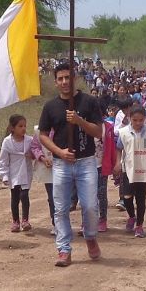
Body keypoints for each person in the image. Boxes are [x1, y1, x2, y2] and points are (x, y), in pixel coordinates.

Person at [38, 62, 104, 267]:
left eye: (68, 77)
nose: (65, 82)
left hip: (86, 162)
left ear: (75, 78)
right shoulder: (50, 106)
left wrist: (79, 120)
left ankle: (90, 236)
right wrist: (59, 152)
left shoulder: (89, 102)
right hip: (61, 163)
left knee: (90, 205)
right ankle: (64, 249)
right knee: (60, 208)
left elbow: (98, 132)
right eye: (60, 78)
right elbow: (42, 134)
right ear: (56, 81)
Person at [113, 106, 146, 238]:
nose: (138, 123)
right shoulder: (123, 132)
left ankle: (139, 226)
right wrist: (117, 163)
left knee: (141, 199)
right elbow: (119, 148)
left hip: (144, 169)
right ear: (130, 118)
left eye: (141, 120)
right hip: (128, 169)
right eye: (135, 120)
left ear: (144, 119)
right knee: (126, 197)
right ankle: (132, 216)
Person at [0, 114, 34, 233]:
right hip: (13, 172)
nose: (23, 128)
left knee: (24, 195)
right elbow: (3, 160)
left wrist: (32, 156)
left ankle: (25, 220)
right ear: (12, 128)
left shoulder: (29, 140)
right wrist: (4, 174)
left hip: (25, 171)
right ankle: (15, 221)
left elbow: (36, 151)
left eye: (25, 126)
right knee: (14, 197)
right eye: (20, 126)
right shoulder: (7, 142)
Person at [30, 126, 56, 235]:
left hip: (62, 166)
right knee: (52, 197)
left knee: (62, 197)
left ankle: (62, 222)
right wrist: (42, 158)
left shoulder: (62, 127)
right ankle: (56, 224)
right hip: (47, 170)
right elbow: (35, 147)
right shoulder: (38, 130)